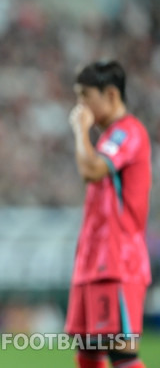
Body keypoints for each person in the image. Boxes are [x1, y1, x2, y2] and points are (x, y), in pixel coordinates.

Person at [65, 60, 151, 368]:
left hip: (117, 261)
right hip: (93, 261)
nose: (80, 106)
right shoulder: (107, 138)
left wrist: (79, 130)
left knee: (121, 354)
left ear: (111, 94)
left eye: (85, 96)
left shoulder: (128, 132)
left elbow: (91, 170)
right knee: (88, 351)